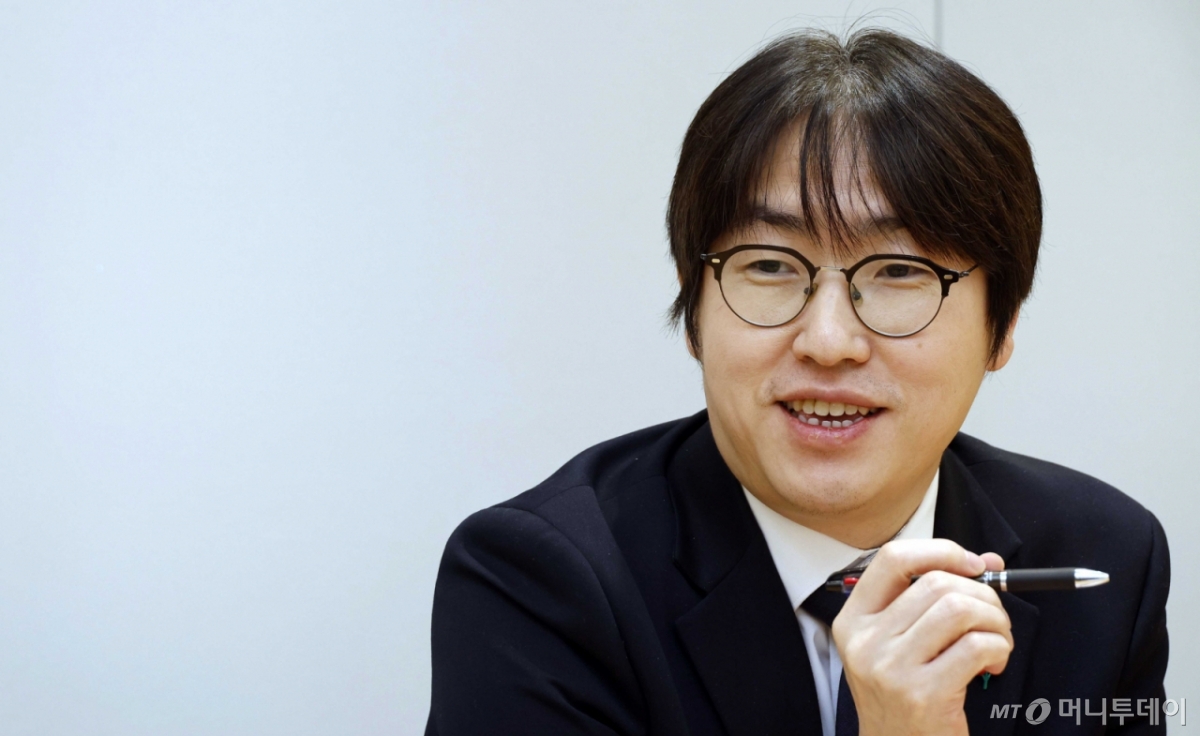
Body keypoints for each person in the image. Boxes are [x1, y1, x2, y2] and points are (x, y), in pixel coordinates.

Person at [425, 28, 1169, 736]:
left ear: (1001, 328)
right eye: (771, 265)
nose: (829, 342)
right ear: (693, 310)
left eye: (899, 271)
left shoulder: (1108, 558)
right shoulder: (540, 581)